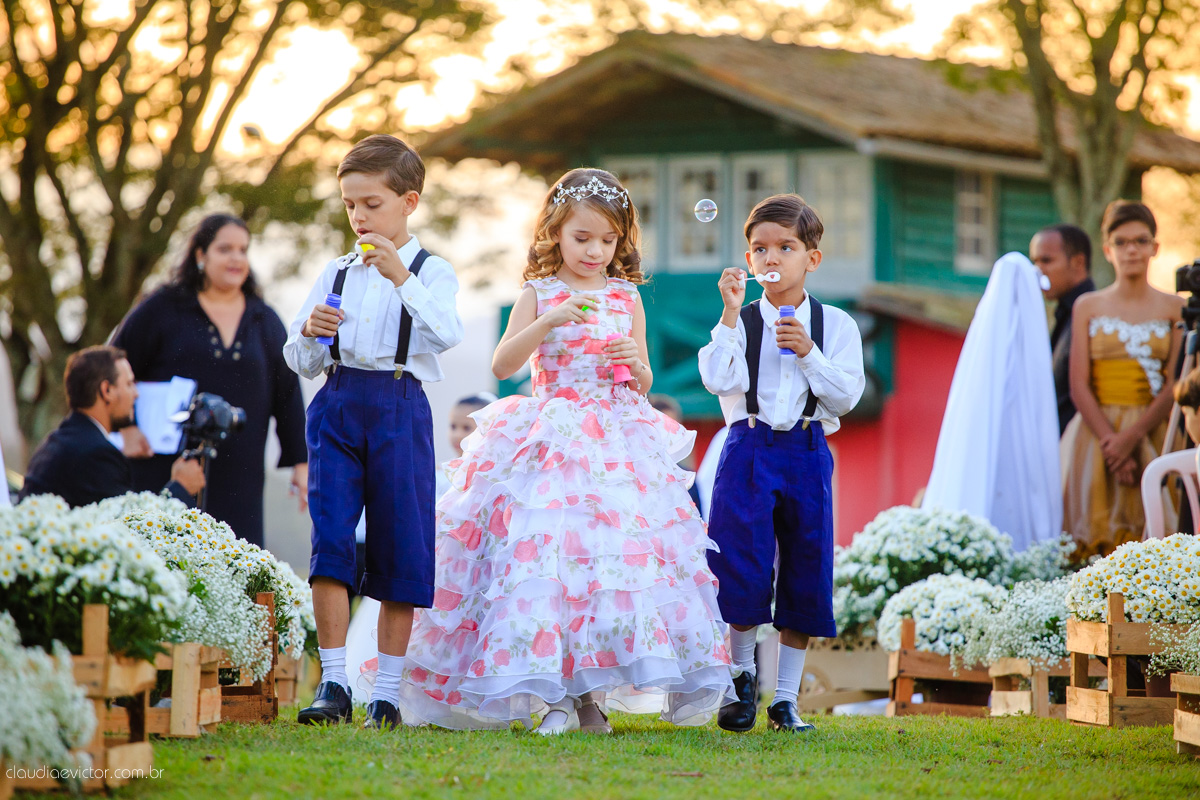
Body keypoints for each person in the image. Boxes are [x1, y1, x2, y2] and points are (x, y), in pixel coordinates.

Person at [398, 168, 732, 735]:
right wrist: (546, 321)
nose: (595, 251)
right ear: (555, 232)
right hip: (551, 437)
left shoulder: (626, 296)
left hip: (614, 443)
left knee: (603, 568)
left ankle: (587, 698)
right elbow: (504, 366)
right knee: (545, 564)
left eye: (607, 241)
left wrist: (637, 364)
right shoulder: (540, 292)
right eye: (582, 239)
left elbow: (644, 380)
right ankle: (551, 698)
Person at [284, 134, 464, 731]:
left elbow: (444, 335)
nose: (359, 216)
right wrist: (310, 332)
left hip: (399, 403)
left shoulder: (432, 271)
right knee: (330, 539)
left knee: (400, 544)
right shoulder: (335, 270)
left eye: (372, 203)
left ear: (409, 201)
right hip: (337, 401)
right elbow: (300, 359)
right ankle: (333, 683)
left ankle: (386, 693)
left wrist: (399, 278)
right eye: (350, 204)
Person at [699, 194, 865, 733]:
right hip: (747, 447)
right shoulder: (738, 320)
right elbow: (718, 380)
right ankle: (742, 683)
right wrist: (728, 314)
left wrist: (809, 352)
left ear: (810, 259)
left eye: (785, 248)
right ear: (748, 260)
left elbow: (846, 398)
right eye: (760, 249)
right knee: (740, 564)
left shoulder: (835, 324)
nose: (772, 259)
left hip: (807, 449)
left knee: (807, 565)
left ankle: (786, 700)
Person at [110, 213, 308, 547]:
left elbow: (287, 395)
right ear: (200, 255)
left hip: (241, 473)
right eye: (225, 249)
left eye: (243, 250)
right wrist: (126, 426)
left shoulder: (264, 319)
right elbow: (113, 365)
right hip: (168, 467)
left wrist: (300, 462)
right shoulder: (162, 308)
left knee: (237, 560)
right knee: (170, 555)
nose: (237, 258)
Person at [1062, 200, 1183, 560]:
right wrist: (1112, 445)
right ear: (1107, 249)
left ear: (1154, 248)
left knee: (1157, 534)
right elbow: (1078, 384)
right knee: (1096, 536)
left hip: (1155, 432)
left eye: (1141, 241)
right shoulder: (1087, 306)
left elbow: (1176, 384)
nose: (1132, 250)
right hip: (1097, 435)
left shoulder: (1176, 307)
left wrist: (1132, 437)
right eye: (1121, 241)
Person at [19, 346, 205, 507]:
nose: (136, 394)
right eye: (129, 384)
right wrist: (179, 489)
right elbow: (127, 531)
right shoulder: (96, 455)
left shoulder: (58, 442)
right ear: (106, 390)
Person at [1030, 224, 1095, 434]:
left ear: (1078, 262)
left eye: (1046, 261)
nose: (1038, 271)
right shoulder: (1062, 311)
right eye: (1035, 262)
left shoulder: (1093, 315)